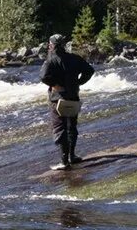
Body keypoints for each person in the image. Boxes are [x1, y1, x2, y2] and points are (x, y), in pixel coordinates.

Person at [39, 33, 95, 170]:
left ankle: (64, 162)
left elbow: (43, 76)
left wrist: (55, 85)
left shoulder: (50, 60)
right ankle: (72, 156)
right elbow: (90, 70)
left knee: (60, 128)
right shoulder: (74, 58)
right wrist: (79, 82)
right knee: (72, 127)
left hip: (57, 99)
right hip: (73, 96)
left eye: (49, 44)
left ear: (51, 45)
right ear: (64, 45)